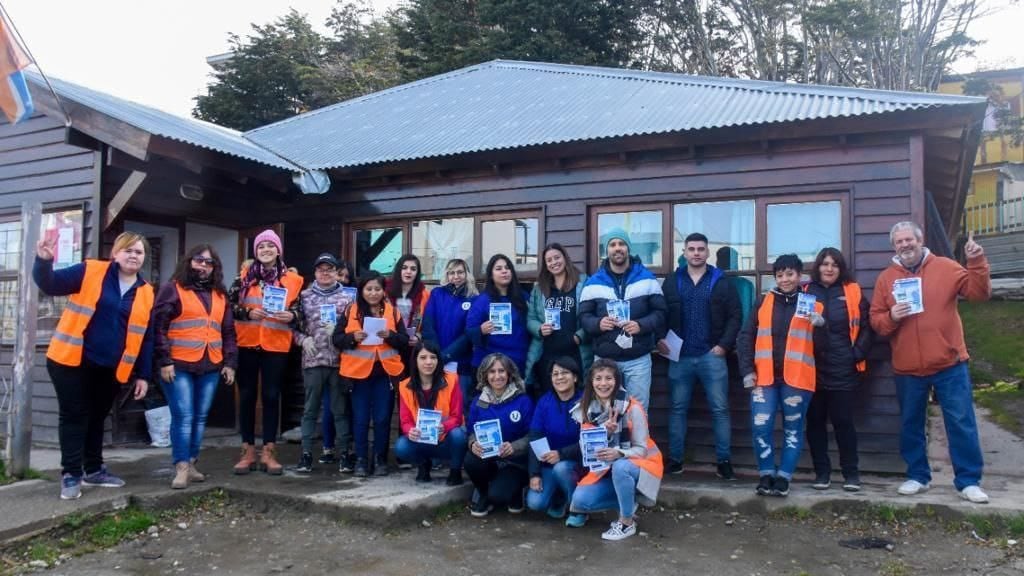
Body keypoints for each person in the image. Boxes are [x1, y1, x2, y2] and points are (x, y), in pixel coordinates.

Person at [869, 222, 991, 503]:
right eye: (899, 241)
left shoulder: (946, 267)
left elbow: (979, 294)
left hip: (949, 362)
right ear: (894, 246)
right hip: (907, 367)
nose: (905, 245)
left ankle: (968, 481)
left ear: (920, 240)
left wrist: (976, 260)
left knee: (961, 422)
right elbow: (876, 320)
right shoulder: (886, 279)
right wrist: (892, 318)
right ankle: (917, 476)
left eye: (909, 239)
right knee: (911, 424)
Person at [34, 231, 154, 500]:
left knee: (97, 417)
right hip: (70, 360)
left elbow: (147, 335)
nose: (134, 255)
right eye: (128, 250)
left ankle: (94, 469)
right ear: (116, 253)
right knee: (75, 415)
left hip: (111, 367)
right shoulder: (91, 270)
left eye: (139, 252)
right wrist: (43, 260)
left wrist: (144, 375)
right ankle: (71, 474)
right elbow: (50, 284)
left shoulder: (146, 292)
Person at [737, 254, 824, 497]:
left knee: (793, 430)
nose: (785, 279)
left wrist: (820, 326)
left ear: (799, 276)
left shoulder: (812, 304)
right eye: (780, 275)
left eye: (790, 274)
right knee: (760, 426)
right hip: (763, 379)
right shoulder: (763, 301)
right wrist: (746, 371)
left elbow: (823, 345)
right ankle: (766, 475)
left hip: (797, 379)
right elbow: (745, 336)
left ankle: (784, 477)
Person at [658, 232, 742, 479]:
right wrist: (659, 340)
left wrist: (724, 345)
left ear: (707, 253)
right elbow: (660, 313)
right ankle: (675, 460)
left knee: (720, 409)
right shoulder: (673, 281)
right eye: (691, 249)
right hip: (680, 357)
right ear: (684, 253)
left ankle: (724, 461)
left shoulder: (720, 281)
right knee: (677, 409)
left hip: (711, 355)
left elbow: (735, 315)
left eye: (700, 249)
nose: (696, 253)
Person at [154, 245, 237, 489]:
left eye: (209, 263)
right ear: (189, 262)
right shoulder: (172, 289)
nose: (203, 266)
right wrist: (164, 360)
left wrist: (230, 363)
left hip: (210, 364)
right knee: (184, 416)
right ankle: (180, 466)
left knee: (200, 417)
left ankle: (191, 463)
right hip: (178, 364)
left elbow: (229, 332)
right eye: (199, 261)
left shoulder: (221, 296)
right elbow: (158, 328)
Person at [228, 230, 303, 476]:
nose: (266, 250)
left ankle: (269, 451)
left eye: (271, 246)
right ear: (256, 252)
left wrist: (292, 316)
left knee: (272, 397)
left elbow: (301, 313)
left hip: (276, 346)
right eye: (262, 246)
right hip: (247, 344)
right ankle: (247, 450)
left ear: (278, 250)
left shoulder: (292, 280)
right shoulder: (242, 278)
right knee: (247, 397)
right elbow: (229, 308)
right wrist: (247, 313)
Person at [568, 359, 664, 541]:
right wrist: (605, 432)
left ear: (617, 381)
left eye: (608, 378)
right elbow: (586, 450)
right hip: (604, 470)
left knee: (621, 466)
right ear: (591, 381)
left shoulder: (632, 407)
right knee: (580, 501)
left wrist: (620, 452)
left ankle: (626, 522)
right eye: (598, 378)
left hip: (641, 465)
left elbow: (642, 449)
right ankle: (628, 501)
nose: (603, 384)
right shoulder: (585, 409)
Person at [804, 247, 873, 492]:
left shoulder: (852, 291)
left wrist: (856, 354)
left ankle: (850, 474)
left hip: (843, 368)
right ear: (818, 267)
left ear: (840, 268)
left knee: (844, 422)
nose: (829, 268)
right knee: (814, 423)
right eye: (824, 264)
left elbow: (867, 326)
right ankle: (822, 473)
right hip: (811, 369)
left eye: (834, 264)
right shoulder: (806, 291)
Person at [579, 228, 666, 412]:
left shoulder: (647, 279)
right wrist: (598, 323)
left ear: (628, 248)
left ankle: (637, 442)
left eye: (621, 244)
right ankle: (610, 442)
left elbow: (661, 313)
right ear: (607, 250)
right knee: (603, 410)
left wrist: (641, 325)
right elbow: (584, 317)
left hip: (638, 359)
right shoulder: (593, 282)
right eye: (612, 244)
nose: (617, 248)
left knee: (638, 411)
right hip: (604, 359)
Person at [333, 271, 410, 477]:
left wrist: (391, 336)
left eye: (377, 289)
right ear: (361, 290)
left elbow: (404, 340)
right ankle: (360, 460)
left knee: (383, 418)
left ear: (383, 290)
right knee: (360, 418)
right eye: (369, 289)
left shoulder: (392, 312)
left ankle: (380, 460)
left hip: (385, 374)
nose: (373, 293)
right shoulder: (351, 309)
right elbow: (336, 338)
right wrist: (352, 337)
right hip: (358, 376)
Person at [294, 253, 356, 474]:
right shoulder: (304, 296)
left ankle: (345, 455)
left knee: (339, 411)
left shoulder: (348, 298)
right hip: (313, 361)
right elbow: (293, 327)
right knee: (310, 410)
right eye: (321, 269)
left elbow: (356, 328)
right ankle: (306, 453)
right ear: (315, 272)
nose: (325, 273)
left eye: (330, 269)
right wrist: (303, 340)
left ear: (336, 272)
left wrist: (343, 333)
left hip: (340, 362)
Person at [464, 353, 534, 517]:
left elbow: (533, 434)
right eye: (492, 372)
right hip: (490, 459)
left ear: (509, 373)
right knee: (470, 460)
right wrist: (473, 443)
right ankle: (482, 493)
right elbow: (471, 431)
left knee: (499, 496)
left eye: (501, 371)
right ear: (485, 375)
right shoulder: (478, 401)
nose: (497, 376)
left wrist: (514, 447)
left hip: (516, 462)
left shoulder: (523, 400)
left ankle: (515, 491)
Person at [395, 341, 468, 485]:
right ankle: (423, 465)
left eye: (433, 357)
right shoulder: (405, 386)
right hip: (422, 440)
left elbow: (457, 417)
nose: (428, 362)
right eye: (423, 358)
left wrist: (445, 427)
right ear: (415, 360)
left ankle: (455, 471)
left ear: (438, 360)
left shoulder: (451, 380)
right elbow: (405, 421)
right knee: (401, 447)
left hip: (446, 440)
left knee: (459, 434)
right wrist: (410, 431)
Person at [525, 243, 592, 398]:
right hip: (548, 355)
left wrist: (579, 336)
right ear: (545, 264)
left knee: (578, 399)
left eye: (557, 257)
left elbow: (592, 314)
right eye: (549, 260)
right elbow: (530, 318)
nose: (554, 262)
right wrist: (539, 329)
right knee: (549, 399)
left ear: (565, 258)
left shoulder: (583, 283)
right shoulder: (540, 287)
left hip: (576, 353)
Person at [526, 357, 583, 519]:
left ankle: (578, 509)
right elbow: (535, 437)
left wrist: (561, 454)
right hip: (548, 464)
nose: (559, 377)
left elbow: (588, 442)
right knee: (535, 503)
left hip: (575, 463)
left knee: (562, 468)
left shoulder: (585, 401)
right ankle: (560, 496)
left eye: (565, 373)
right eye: (555, 374)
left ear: (575, 377)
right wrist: (534, 474)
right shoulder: (544, 402)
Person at [422, 258, 478, 414]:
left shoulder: (473, 298)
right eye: (452, 273)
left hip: (461, 363)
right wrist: (436, 355)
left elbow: (469, 333)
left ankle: (460, 438)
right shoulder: (437, 294)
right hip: (435, 360)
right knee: (436, 405)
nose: (456, 276)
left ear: (467, 274)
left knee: (460, 406)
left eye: (460, 272)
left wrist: (445, 355)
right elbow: (428, 325)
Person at [317, 258, 356, 466]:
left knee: (346, 406)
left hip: (350, 359)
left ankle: (346, 447)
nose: (343, 279)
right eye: (340, 275)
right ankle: (327, 445)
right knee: (329, 404)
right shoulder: (320, 297)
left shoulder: (355, 301)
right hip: (327, 358)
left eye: (347, 277)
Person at [466, 254, 531, 376]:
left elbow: (532, 324)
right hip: (490, 366)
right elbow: (469, 332)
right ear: (491, 275)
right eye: (499, 269)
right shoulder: (482, 300)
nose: (504, 271)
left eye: (507, 268)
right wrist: (481, 330)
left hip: (518, 363)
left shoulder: (523, 297)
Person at [387, 254, 431, 354]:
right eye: (404, 268)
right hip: (389, 341)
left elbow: (428, 322)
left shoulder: (425, 294)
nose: (408, 272)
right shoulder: (385, 290)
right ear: (399, 270)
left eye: (413, 269)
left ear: (417, 273)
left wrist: (418, 336)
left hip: (412, 344)